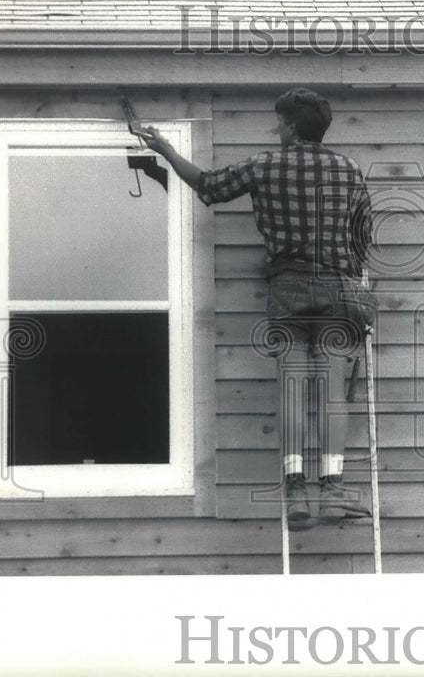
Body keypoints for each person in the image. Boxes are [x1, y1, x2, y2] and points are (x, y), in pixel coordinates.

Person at [138, 87, 374, 527]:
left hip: (288, 287)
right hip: (338, 289)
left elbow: (209, 186)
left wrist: (165, 148)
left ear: (289, 127)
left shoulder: (265, 164)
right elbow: (364, 236)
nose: (275, 129)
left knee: (292, 385)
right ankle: (333, 490)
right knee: (332, 389)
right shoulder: (350, 169)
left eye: (278, 122)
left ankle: (296, 493)